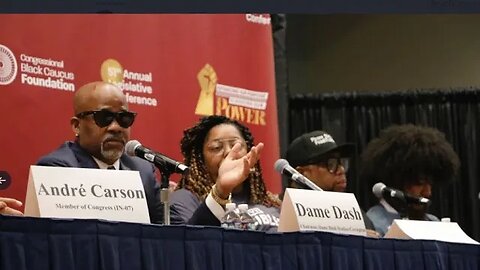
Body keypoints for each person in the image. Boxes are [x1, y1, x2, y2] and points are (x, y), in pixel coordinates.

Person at [36, 81, 162, 223]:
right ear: (77, 126)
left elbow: (163, 233)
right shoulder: (58, 168)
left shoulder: (143, 170)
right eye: (104, 118)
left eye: (124, 118)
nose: (116, 127)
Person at [170, 115, 281, 232]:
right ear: (201, 158)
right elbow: (190, 243)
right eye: (216, 147)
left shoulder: (270, 201)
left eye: (235, 146)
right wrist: (220, 192)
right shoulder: (185, 200)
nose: (228, 151)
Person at [361, 124, 460, 236]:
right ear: (396, 180)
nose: (428, 192)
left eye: (430, 183)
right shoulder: (372, 225)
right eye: (420, 182)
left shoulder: (434, 222)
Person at [284, 130, 376, 233]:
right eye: (331, 164)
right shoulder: (280, 212)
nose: (341, 170)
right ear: (301, 173)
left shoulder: (353, 213)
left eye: (342, 163)